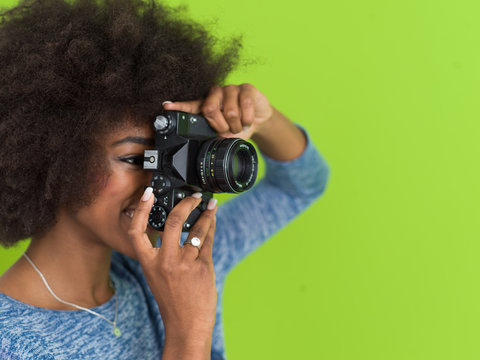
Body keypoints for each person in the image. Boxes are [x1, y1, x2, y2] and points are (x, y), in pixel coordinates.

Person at [0, 0, 329, 359]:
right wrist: (189, 331)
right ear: (54, 162)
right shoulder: (14, 341)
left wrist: (261, 119)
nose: (159, 182)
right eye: (136, 158)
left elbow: (300, 185)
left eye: (171, 156)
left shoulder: (180, 261)